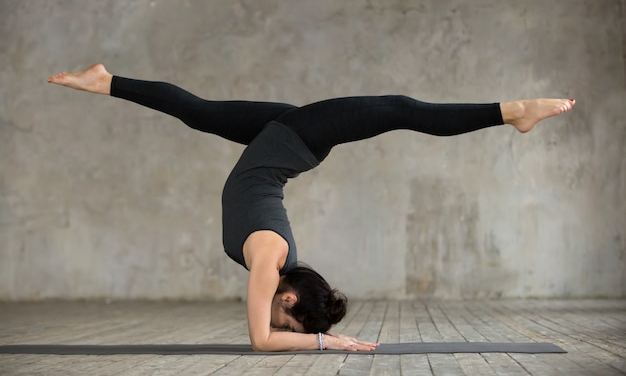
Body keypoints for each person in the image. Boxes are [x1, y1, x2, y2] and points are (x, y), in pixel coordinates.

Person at [48, 64, 575, 352]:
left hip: (283, 144)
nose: (276, 321)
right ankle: (513, 112)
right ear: (291, 295)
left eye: (286, 325)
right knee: (402, 110)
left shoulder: (274, 262)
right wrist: (328, 343)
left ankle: (106, 81)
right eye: (288, 319)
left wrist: (315, 334)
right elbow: (261, 341)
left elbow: (266, 332)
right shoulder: (267, 263)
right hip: (298, 139)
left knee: (199, 112)